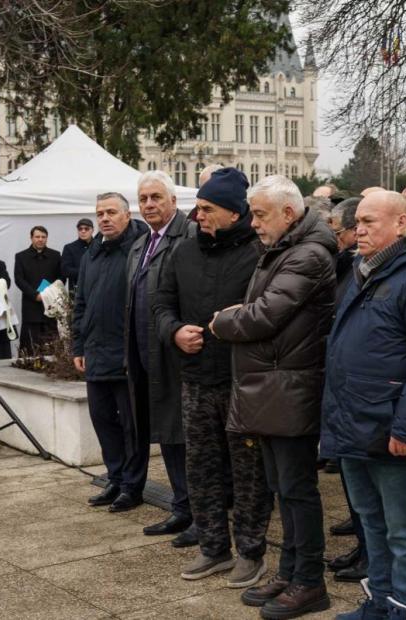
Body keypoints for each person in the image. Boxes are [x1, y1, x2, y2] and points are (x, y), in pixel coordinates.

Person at [321, 191, 406, 620]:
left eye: (369, 222)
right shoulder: (367, 270)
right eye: (357, 222)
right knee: (372, 523)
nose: (358, 229)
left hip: (392, 425)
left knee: (405, 530)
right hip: (355, 423)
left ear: (401, 223)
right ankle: (380, 604)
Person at [211, 175, 335, 619]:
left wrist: (223, 322)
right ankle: (290, 571)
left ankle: (310, 581)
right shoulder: (285, 249)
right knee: (283, 487)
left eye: (260, 215)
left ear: (288, 213)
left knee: (297, 489)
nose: (254, 223)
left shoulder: (308, 255)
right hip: (274, 389)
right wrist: (239, 315)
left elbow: (264, 316)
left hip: (291, 388)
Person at [152, 167, 273, 588]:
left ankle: (251, 553)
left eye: (207, 208)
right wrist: (173, 331)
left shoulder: (259, 254)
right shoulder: (183, 252)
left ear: (234, 212)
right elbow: (161, 303)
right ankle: (213, 548)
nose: (198, 215)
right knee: (201, 469)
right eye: (198, 207)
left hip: (244, 383)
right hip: (197, 380)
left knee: (249, 474)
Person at [126, 170, 198, 546]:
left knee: (186, 436)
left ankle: (200, 513)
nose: (149, 204)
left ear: (173, 200)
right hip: (145, 354)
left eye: (156, 197)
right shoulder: (141, 244)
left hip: (177, 354)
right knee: (167, 434)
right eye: (143, 199)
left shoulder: (189, 236)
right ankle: (182, 506)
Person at [73, 193, 149, 512]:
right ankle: (115, 478)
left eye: (111, 212)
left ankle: (132, 487)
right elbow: (81, 302)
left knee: (132, 426)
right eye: (100, 213)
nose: (104, 218)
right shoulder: (92, 252)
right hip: (96, 351)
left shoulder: (140, 248)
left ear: (127, 215)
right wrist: (78, 345)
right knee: (102, 419)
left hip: (127, 354)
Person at [322, 197, 369, 583]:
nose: (333, 239)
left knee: (373, 491)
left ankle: (371, 554)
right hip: (342, 389)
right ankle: (363, 546)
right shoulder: (346, 266)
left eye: (337, 232)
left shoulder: (362, 269)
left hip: (364, 394)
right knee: (354, 480)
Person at [13, 226, 61, 354]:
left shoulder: (55, 255)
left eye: (43, 237)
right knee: (30, 341)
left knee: (51, 340)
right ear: (31, 238)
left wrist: (49, 294)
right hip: (31, 304)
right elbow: (19, 279)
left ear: (47, 238)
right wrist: (35, 295)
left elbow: (60, 278)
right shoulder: (21, 256)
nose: (40, 239)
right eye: (37, 237)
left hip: (50, 303)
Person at [61, 218, 94, 291]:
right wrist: (88, 272)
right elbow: (65, 270)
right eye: (80, 229)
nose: (83, 231)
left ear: (92, 230)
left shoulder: (100, 246)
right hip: (77, 289)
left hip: (96, 289)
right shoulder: (69, 248)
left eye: (86, 229)